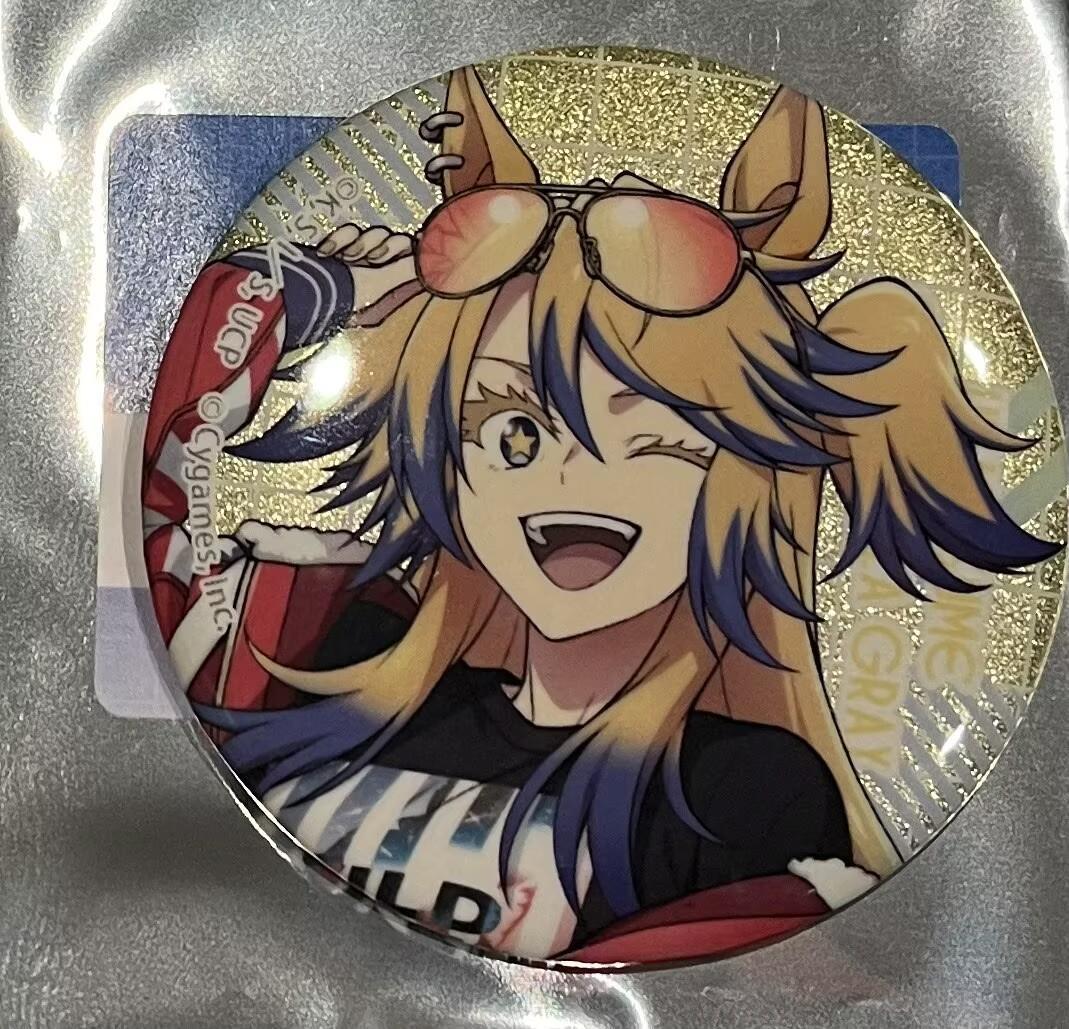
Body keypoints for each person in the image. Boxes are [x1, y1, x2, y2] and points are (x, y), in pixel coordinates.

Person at [142, 67, 1057, 963]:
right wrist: (319, 294)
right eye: (511, 430)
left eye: (655, 435)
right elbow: (170, 519)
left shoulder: (747, 793)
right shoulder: (336, 652)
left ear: (747, 470)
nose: (571, 476)